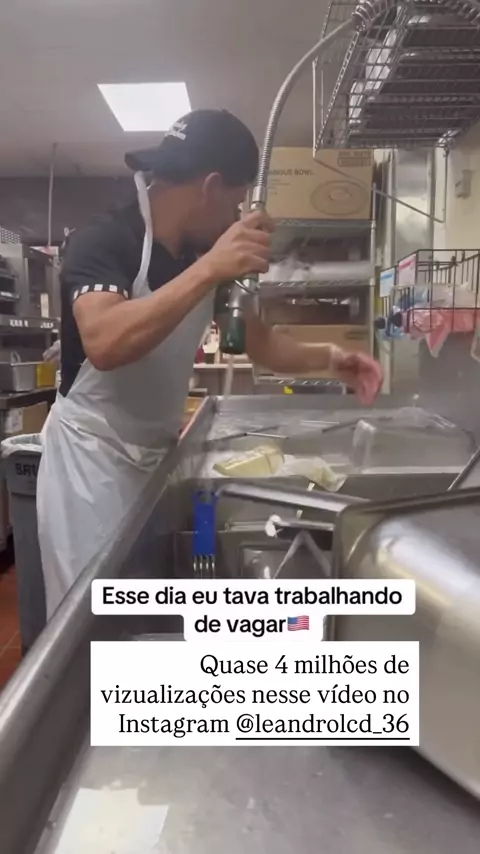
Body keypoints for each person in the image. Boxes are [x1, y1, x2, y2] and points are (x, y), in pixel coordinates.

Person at [37, 108, 382, 619]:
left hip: (153, 460)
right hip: (90, 467)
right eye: (236, 201)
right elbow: (105, 342)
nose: (234, 215)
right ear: (211, 186)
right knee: (90, 621)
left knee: (139, 608)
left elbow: (261, 343)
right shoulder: (107, 239)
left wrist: (332, 359)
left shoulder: (199, 253)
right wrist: (212, 268)